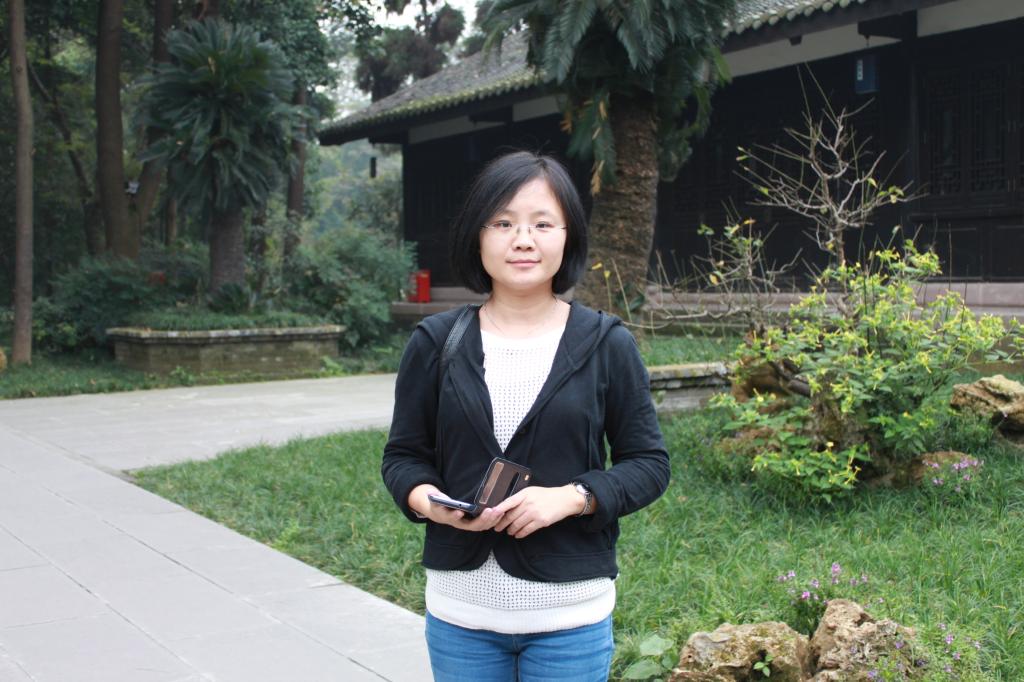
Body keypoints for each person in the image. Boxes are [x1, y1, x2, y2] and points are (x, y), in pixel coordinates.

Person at [381, 150, 669, 681]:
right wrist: (430, 504)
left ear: (568, 237)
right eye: (503, 223)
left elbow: (649, 464)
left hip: (570, 619)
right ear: (477, 236)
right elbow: (403, 457)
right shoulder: (435, 342)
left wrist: (573, 497)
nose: (523, 240)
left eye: (542, 224)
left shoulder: (607, 343)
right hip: (460, 617)